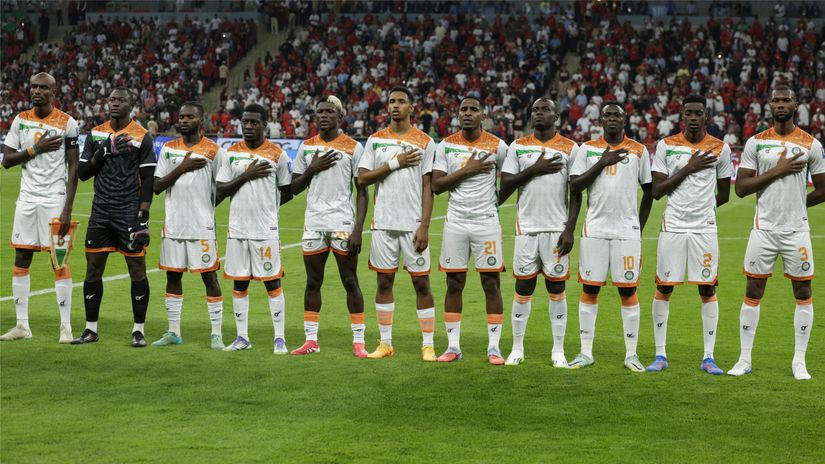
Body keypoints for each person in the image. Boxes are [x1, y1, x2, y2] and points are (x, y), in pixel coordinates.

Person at [729, 86, 825, 380]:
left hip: (797, 231)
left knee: (803, 291)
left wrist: (798, 204)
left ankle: (799, 361)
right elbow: (741, 188)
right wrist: (778, 170)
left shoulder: (811, 144)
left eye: (786, 100)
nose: (781, 104)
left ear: (796, 104)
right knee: (753, 290)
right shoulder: (755, 143)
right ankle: (744, 359)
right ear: (769, 105)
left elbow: (823, 189)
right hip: (764, 230)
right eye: (776, 100)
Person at [646, 94, 733, 374]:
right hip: (673, 226)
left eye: (698, 113)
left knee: (707, 288)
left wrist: (702, 210)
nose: (693, 117)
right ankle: (660, 355)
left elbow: (724, 194)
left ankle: (709, 357)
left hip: (704, 228)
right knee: (664, 287)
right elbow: (657, 191)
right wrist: (689, 168)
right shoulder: (666, 146)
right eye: (689, 113)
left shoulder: (720, 148)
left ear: (706, 116)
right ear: (682, 116)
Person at [567, 101, 654, 372]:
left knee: (628, 290)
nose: (612, 119)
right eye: (607, 115)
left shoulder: (638, 150)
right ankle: (585, 352)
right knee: (590, 289)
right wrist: (601, 162)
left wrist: (637, 227)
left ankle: (631, 354)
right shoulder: (587, 149)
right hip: (594, 230)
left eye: (617, 114)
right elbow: (575, 186)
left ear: (625, 119)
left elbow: (649, 191)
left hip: (626, 233)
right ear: (601, 120)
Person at [357, 86, 438, 361]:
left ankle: (428, 345)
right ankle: (385, 343)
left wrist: (425, 225)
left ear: (411, 107)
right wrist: (395, 163)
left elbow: (428, 186)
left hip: (413, 224)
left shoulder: (426, 141)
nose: (395, 106)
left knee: (422, 284)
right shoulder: (375, 140)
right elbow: (363, 179)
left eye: (401, 102)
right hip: (383, 224)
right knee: (384, 282)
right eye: (392, 101)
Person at [498, 98, 580, 367]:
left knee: (556, 287)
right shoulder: (518, 147)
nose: (539, 113)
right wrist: (534, 169)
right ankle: (517, 348)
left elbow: (576, 191)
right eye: (535, 109)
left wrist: (569, 229)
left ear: (556, 116)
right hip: (526, 230)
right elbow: (506, 184)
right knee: (523, 286)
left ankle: (558, 350)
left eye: (545, 109)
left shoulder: (570, 147)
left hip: (556, 230)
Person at [73, 87, 156, 347]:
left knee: (137, 269)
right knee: (93, 269)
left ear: (132, 105)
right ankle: (90, 329)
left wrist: (142, 216)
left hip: (128, 211)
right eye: (112, 100)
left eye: (121, 100)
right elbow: (83, 173)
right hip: (100, 212)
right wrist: (103, 151)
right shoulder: (97, 133)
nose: (115, 103)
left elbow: (148, 179)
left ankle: (138, 330)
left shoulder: (142, 136)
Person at [0, 72, 79, 343]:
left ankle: (65, 327)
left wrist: (68, 208)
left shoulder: (68, 123)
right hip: (27, 200)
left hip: (54, 200)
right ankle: (22, 325)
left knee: (59, 261)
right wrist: (36, 149)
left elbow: (74, 167)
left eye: (43, 87)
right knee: (22, 258)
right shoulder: (20, 120)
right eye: (33, 86)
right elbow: (7, 160)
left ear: (53, 92)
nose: (37, 91)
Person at [431, 95, 509, 364]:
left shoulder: (498, 146)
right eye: (463, 109)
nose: (467, 113)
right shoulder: (446, 146)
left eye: (473, 109)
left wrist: (495, 202)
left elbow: (509, 180)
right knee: (454, 283)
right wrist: (469, 169)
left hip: (486, 223)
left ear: (482, 116)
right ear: (457, 114)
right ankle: (453, 346)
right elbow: (437, 186)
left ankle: (494, 347)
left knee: (491, 283)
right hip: (455, 222)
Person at [290, 96, 369, 358]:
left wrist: (358, 229)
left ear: (339, 117)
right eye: (319, 112)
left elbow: (362, 192)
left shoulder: (353, 147)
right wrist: (311, 168)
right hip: (313, 223)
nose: (323, 116)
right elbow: (293, 188)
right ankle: (311, 340)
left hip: (342, 224)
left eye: (329, 112)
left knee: (350, 280)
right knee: (313, 282)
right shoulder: (306, 147)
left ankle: (359, 341)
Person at [216, 104, 293, 353]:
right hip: (237, 229)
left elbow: (287, 191)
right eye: (245, 122)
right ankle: (242, 337)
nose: (248, 127)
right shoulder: (230, 154)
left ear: (265, 125)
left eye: (254, 123)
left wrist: (269, 210)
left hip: (265, 230)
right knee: (240, 283)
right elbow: (219, 192)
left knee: (272, 282)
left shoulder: (277, 154)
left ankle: (279, 338)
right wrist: (246, 175)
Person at [151, 102, 225, 350]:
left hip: (202, 226)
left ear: (201, 120)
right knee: (173, 277)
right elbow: (157, 186)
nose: (183, 120)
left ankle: (216, 334)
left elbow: (222, 187)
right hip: (174, 226)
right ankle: (173, 331)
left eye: (189, 117)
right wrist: (182, 167)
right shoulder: (169, 149)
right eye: (181, 116)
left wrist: (207, 204)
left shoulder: (214, 151)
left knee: (210, 278)